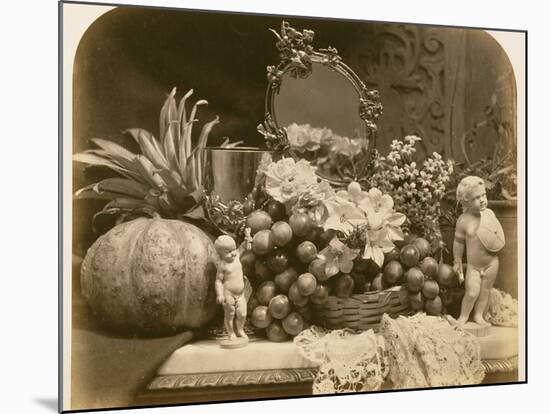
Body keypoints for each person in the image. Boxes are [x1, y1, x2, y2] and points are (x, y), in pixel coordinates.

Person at [453, 176, 505, 326]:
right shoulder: (463, 220)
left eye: (483, 195)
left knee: (485, 292)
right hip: (474, 267)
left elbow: (497, 236)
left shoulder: (490, 214)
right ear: (465, 202)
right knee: (472, 292)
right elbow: (458, 242)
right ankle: (463, 316)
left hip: (492, 263)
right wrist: (456, 260)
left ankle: (478, 315)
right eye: (476, 198)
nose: (482, 200)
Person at [214, 230, 252, 341]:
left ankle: (240, 329)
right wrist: (220, 294)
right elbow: (218, 281)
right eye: (229, 252)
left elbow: (246, 247)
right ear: (220, 254)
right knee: (230, 314)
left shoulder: (236, 256)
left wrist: (247, 236)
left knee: (242, 313)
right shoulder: (222, 265)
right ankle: (231, 333)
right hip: (228, 294)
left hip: (240, 294)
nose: (233, 253)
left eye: (234, 249)